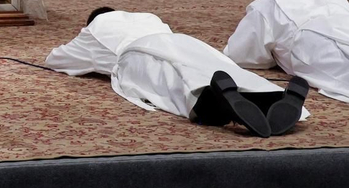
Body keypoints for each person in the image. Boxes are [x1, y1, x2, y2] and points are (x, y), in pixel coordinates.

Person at [47, 7, 309, 137]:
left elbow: (57, 59)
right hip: (187, 42)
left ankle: (216, 104)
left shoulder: (96, 28)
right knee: (218, 67)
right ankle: (272, 95)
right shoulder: (148, 17)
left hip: (138, 53)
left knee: (173, 82)